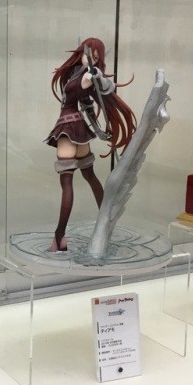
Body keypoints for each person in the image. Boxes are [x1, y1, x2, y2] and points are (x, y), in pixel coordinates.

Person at [45, 37, 136, 251]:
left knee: (68, 183)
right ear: (81, 53)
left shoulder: (87, 75)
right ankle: (106, 225)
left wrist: (99, 79)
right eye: (89, 56)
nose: (91, 60)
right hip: (80, 130)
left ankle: (59, 238)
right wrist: (99, 131)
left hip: (67, 130)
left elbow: (95, 90)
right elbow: (87, 107)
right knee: (90, 176)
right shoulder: (78, 73)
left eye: (96, 58)